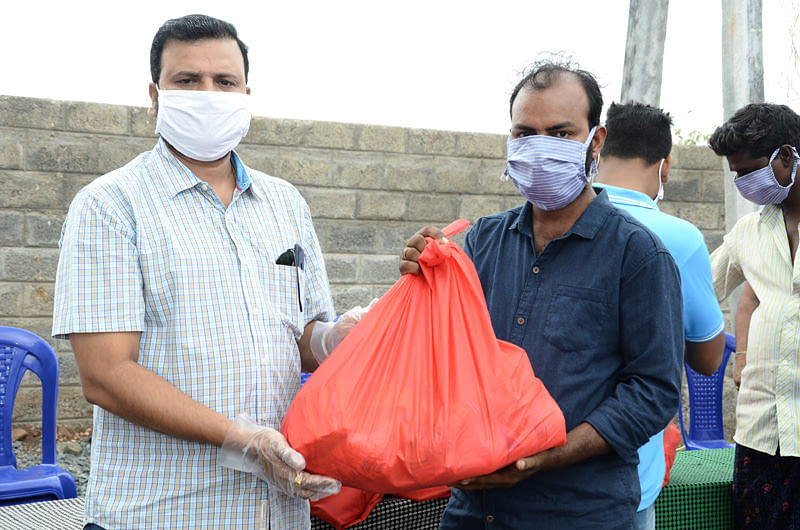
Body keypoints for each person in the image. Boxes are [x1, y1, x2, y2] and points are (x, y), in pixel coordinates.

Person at [52, 14, 358, 529]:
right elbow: (106, 375)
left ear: (246, 93)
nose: (208, 94)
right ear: (155, 96)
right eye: (187, 81)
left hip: (275, 512)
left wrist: (331, 339)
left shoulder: (284, 203)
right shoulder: (109, 206)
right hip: (160, 512)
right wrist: (242, 437)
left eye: (224, 82)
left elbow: (295, 332)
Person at [400, 60, 684, 529]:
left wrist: (544, 457)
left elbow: (653, 391)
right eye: (525, 134)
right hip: (473, 511)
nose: (540, 149)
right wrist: (424, 283)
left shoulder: (638, 255)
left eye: (560, 134)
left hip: (578, 511)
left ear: (596, 140)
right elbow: (447, 354)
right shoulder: (483, 242)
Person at [593, 101, 726, 529]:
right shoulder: (677, 239)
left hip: (536, 454)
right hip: (624, 471)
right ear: (664, 167)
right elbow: (707, 359)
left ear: (598, 148)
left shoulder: (542, 221)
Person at [708, 102, 800, 529]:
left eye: (750, 171)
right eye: (736, 174)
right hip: (760, 433)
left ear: (787, 155)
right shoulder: (749, 232)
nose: (743, 183)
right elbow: (699, 287)